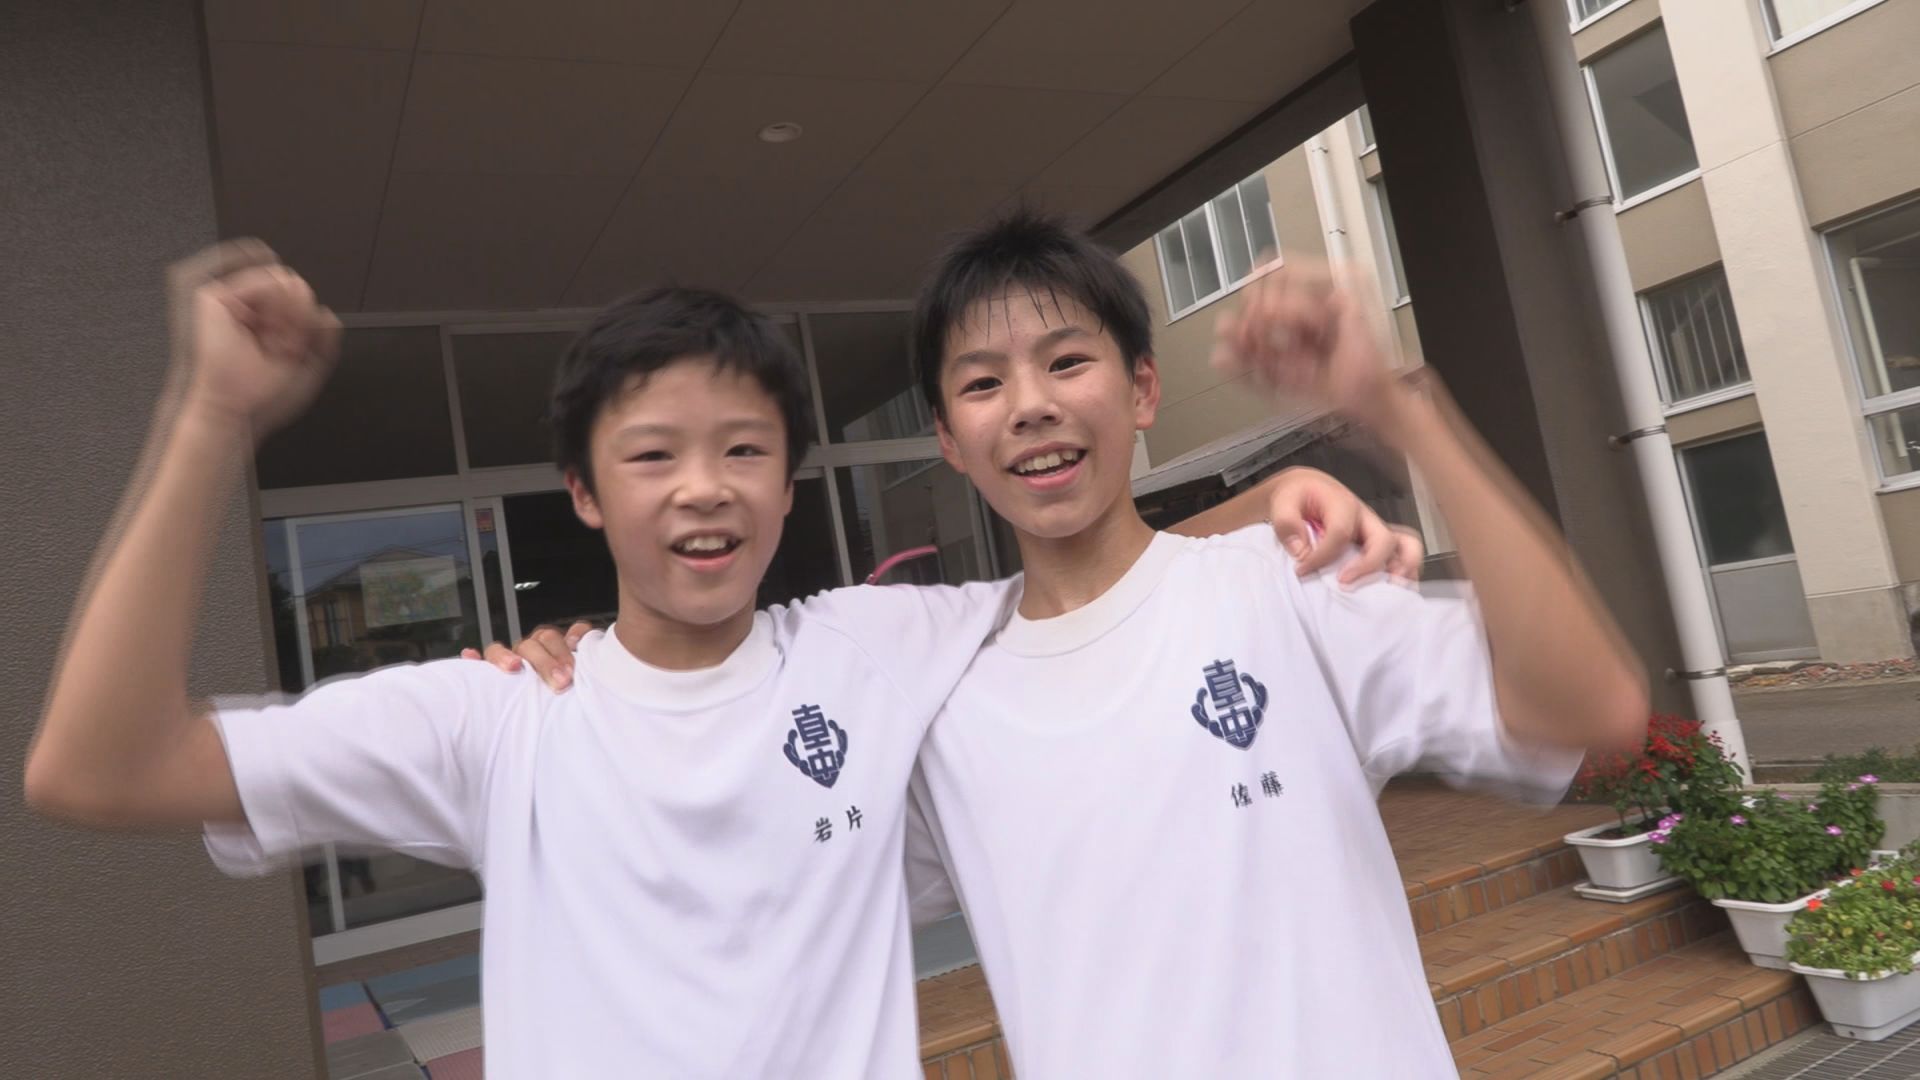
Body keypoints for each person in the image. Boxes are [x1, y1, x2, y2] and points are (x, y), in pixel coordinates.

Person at [24, 240, 1408, 1078]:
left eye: (744, 449)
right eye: (653, 456)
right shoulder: (500, 719)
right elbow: (98, 768)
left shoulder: (875, 647)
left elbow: (1081, 573)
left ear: (790, 484)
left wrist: (1259, 507)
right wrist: (207, 419)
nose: (705, 489)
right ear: (583, 492)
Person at [505, 210, 1648, 1076]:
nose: (1031, 406)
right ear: (949, 439)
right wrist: (579, 672)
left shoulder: (1287, 591)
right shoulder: (938, 689)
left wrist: (1403, 414)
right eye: (983, 383)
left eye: (1066, 362)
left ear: (1142, 389)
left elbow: (1592, 709)